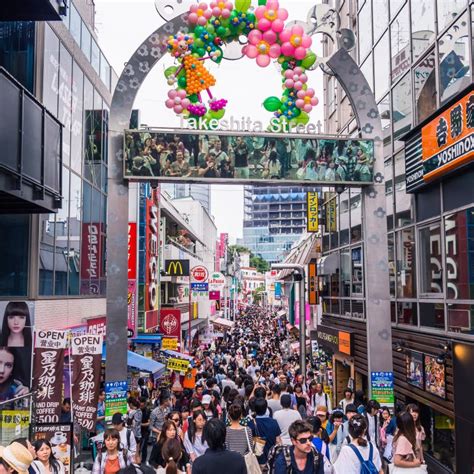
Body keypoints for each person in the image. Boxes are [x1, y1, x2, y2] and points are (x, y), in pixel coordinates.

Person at [248, 398, 281, 466]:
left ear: (255, 410)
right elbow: (278, 441)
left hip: (257, 459)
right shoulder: (273, 422)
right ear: (266, 409)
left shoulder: (250, 424)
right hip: (271, 458)